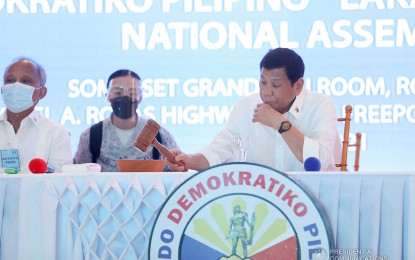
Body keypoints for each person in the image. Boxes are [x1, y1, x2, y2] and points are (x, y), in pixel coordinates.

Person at [168, 47, 341, 172]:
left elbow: (318, 161)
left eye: (276, 85)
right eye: (263, 82)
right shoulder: (245, 107)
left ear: (298, 85)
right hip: (262, 203)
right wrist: (189, 160)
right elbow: (219, 152)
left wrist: (280, 123)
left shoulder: (321, 105)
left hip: (314, 203)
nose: (266, 92)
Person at [73, 69, 181, 172]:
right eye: (118, 93)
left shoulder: (160, 135)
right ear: (107, 96)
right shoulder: (90, 136)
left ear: (141, 97)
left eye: (132, 93)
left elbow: (177, 171)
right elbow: (77, 177)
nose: (125, 97)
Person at [0, 57, 72, 173]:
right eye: (10, 80)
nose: (16, 86)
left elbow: (60, 183)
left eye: (25, 81)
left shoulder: (56, 133)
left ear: (42, 92)